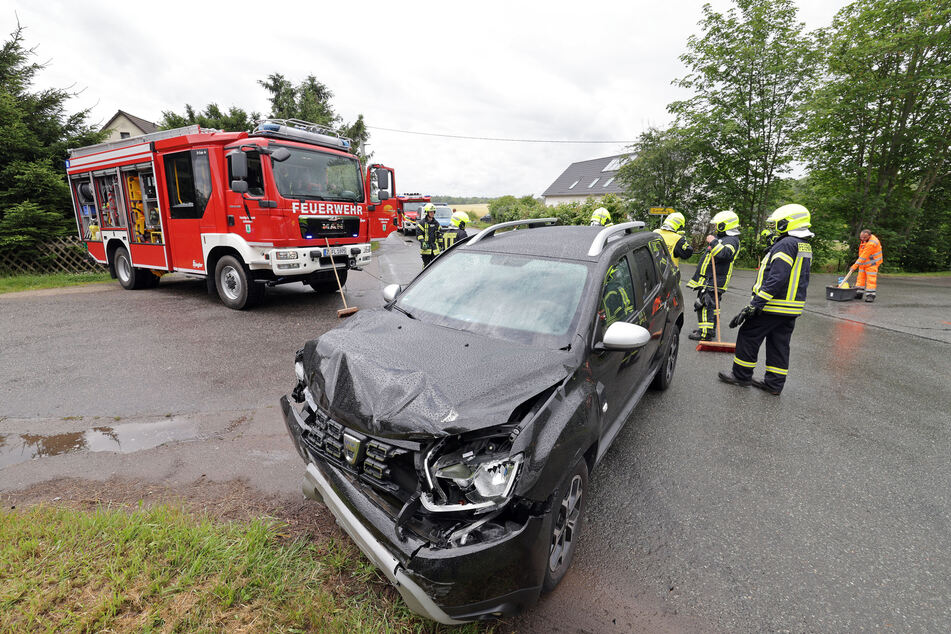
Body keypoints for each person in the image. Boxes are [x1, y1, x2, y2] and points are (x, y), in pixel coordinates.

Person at [718, 203, 814, 395]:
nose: (774, 227)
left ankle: (741, 376)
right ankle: (774, 384)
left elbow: (777, 277)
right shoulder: (803, 244)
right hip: (791, 307)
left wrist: (756, 304)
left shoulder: (786, 244)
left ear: (787, 223)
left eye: (777, 223)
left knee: (748, 335)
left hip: (774, 304)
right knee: (779, 344)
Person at [686, 210, 741, 341]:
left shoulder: (732, 240)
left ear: (724, 225)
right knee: (711, 306)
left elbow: (725, 254)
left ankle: (705, 334)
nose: (715, 228)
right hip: (708, 279)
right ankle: (707, 330)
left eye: (717, 225)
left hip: (715, 279)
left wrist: (714, 242)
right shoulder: (723, 238)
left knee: (706, 305)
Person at [850, 229, 883, 303]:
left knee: (870, 280)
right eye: (861, 237)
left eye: (864, 238)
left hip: (872, 263)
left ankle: (870, 295)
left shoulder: (872, 243)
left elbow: (864, 255)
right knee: (860, 278)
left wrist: (855, 266)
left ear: (869, 236)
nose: (862, 239)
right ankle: (858, 293)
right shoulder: (865, 240)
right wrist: (859, 264)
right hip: (863, 263)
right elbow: (862, 255)